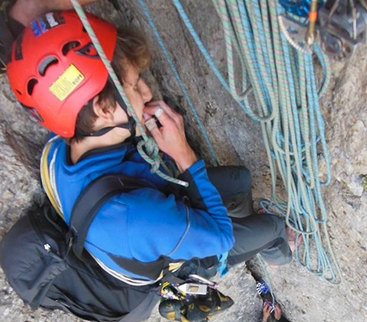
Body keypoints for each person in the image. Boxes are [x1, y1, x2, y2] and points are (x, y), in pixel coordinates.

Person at [5, 8, 295, 289]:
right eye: (135, 85)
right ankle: (279, 254)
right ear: (104, 109)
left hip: (149, 217)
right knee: (270, 228)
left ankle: (236, 219)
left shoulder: (60, 149)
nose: (147, 92)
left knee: (239, 180)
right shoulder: (135, 219)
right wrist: (183, 154)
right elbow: (221, 237)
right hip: (179, 254)